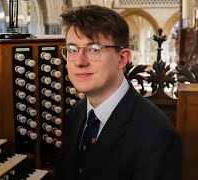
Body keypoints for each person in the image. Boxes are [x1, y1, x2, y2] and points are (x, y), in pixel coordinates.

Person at [54, 5, 182, 180]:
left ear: (122, 59)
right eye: (72, 49)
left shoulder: (157, 134)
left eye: (94, 49)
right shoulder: (77, 111)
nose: (79, 61)